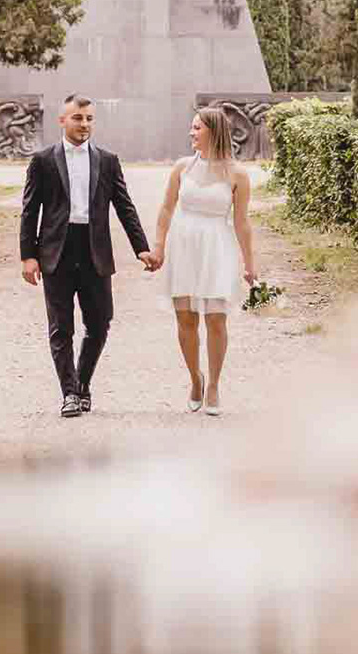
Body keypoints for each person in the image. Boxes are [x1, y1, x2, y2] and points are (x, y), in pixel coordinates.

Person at [20, 94, 156, 417]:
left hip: (95, 250)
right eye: (78, 118)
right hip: (57, 250)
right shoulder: (43, 161)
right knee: (60, 327)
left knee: (100, 322)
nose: (84, 124)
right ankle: (69, 393)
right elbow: (30, 211)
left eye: (89, 119)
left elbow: (124, 206)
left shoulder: (107, 161)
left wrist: (142, 247)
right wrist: (28, 255)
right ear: (62, 120)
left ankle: (82, 382)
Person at [151, 105, 258, 416]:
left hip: (217, 247)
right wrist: (159, 246)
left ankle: (213, 384)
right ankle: (194, 379)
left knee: (215, 318)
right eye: (192, 127)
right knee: (185, 317)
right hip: (184, 245)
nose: (191, 133)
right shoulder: (182, 167)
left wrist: (250, 264)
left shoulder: (237, 174)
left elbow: (242, 222)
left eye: (197, 128)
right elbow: (166, 209)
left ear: (214, 130)